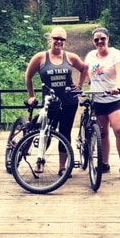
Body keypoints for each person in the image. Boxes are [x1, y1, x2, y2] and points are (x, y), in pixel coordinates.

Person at [25, 26, 88, 175]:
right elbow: (28, 77)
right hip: (51, 103)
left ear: (65, 41)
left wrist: (78, 86)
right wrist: (32, 95)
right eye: (56, 38)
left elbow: (84, 68)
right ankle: (40, 161)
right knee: (45, 132)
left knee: (65, 133)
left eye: (62, 39)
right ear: (50, 39)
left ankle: (62, 167)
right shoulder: (40, 57)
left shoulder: (70, 57)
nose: (59, 41)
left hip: (69, 102)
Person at [84, 27, 120, 181]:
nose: (99, 42)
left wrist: (116, 86)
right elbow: (86, 71)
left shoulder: (116, 54)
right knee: (102, 133)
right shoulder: (91, 56)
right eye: (96, 39)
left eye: (102, 39)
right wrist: (89, 84)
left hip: (115, 99)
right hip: (98, 100)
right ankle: (104, 163)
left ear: (108, 39)